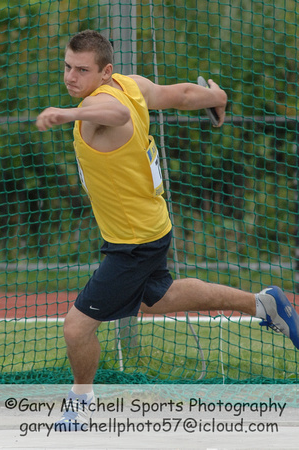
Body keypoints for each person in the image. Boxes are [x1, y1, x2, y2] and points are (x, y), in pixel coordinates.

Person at [36, 30, 299, 431]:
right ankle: (263, 304)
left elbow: (117, 116)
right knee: (159, 298)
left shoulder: (102, 106)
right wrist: (217, 98)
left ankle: (82, 402)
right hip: (149, 226)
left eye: (82, 70)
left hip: (133, 243)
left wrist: (69, 113)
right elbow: (182, 95)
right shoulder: (131, 85)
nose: (71, 77)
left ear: (105, 72)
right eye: (68, 66)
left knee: (77, 327)